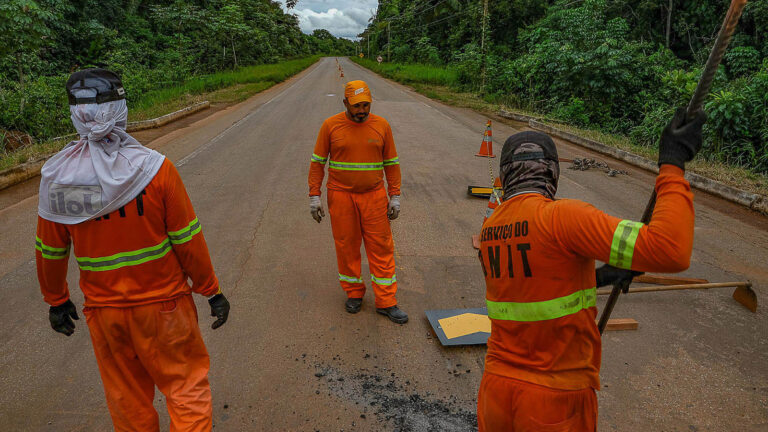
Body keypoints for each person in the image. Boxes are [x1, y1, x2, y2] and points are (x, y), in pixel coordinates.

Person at [476, 108, 706, 431]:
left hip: (496, 393)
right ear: (553, 173)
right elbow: (670, 249)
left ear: (505, 176)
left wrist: (600, 276)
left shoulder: (490, 230)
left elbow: (529, 289)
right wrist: (673, 165)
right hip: (553, 401)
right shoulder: (564, 219)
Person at [35, 68, 230, 432]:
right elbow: (188, 239)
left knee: (127, 399)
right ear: (121, 109)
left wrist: (56, 299)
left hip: (105, 314)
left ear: (76, 114)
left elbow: (50, 249)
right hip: (165, 307)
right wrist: (211, 290)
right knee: (186, 388)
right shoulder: (154, 170)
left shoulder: (59, 179)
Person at [308, 80, 407, 324]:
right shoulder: (330, 126)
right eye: (356, 106)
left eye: (366, 105)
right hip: (340, 196)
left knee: (381, 248)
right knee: (346, 247)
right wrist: (314, 196)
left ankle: (387, 301)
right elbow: (317, 163)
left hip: (374, 197)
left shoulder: (381, 126)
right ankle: (354, 293)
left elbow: (391, 164)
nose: (362, 110)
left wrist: (395, 195)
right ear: (345, 103)